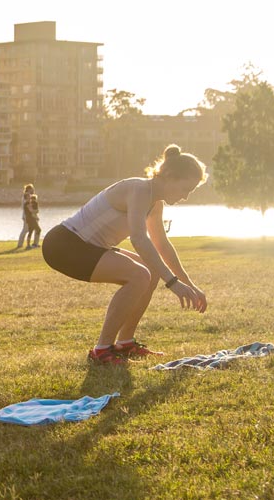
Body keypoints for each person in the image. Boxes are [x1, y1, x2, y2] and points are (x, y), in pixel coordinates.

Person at [41, 144, 208, 365]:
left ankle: (125, 343)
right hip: (65, 245)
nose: (185, 196)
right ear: (168, 176)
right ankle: (102, 351)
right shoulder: (138, 190)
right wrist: (173, 283)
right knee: (139, 275)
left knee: (150, 271)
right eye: (185, 188)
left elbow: (162, 245)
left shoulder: (154, 203)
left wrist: (189, 284)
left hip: (90, 247)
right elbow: (139, 238)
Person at [17, 184, 41, 249]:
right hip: (27, 216)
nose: (33, 190)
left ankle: (35, 243)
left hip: (33, 216)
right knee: (26, 230)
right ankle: (20, 244)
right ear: (29, 189)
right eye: (32, 189)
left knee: (36, 229)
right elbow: (28, 208)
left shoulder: (30, 196)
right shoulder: (26, 197)